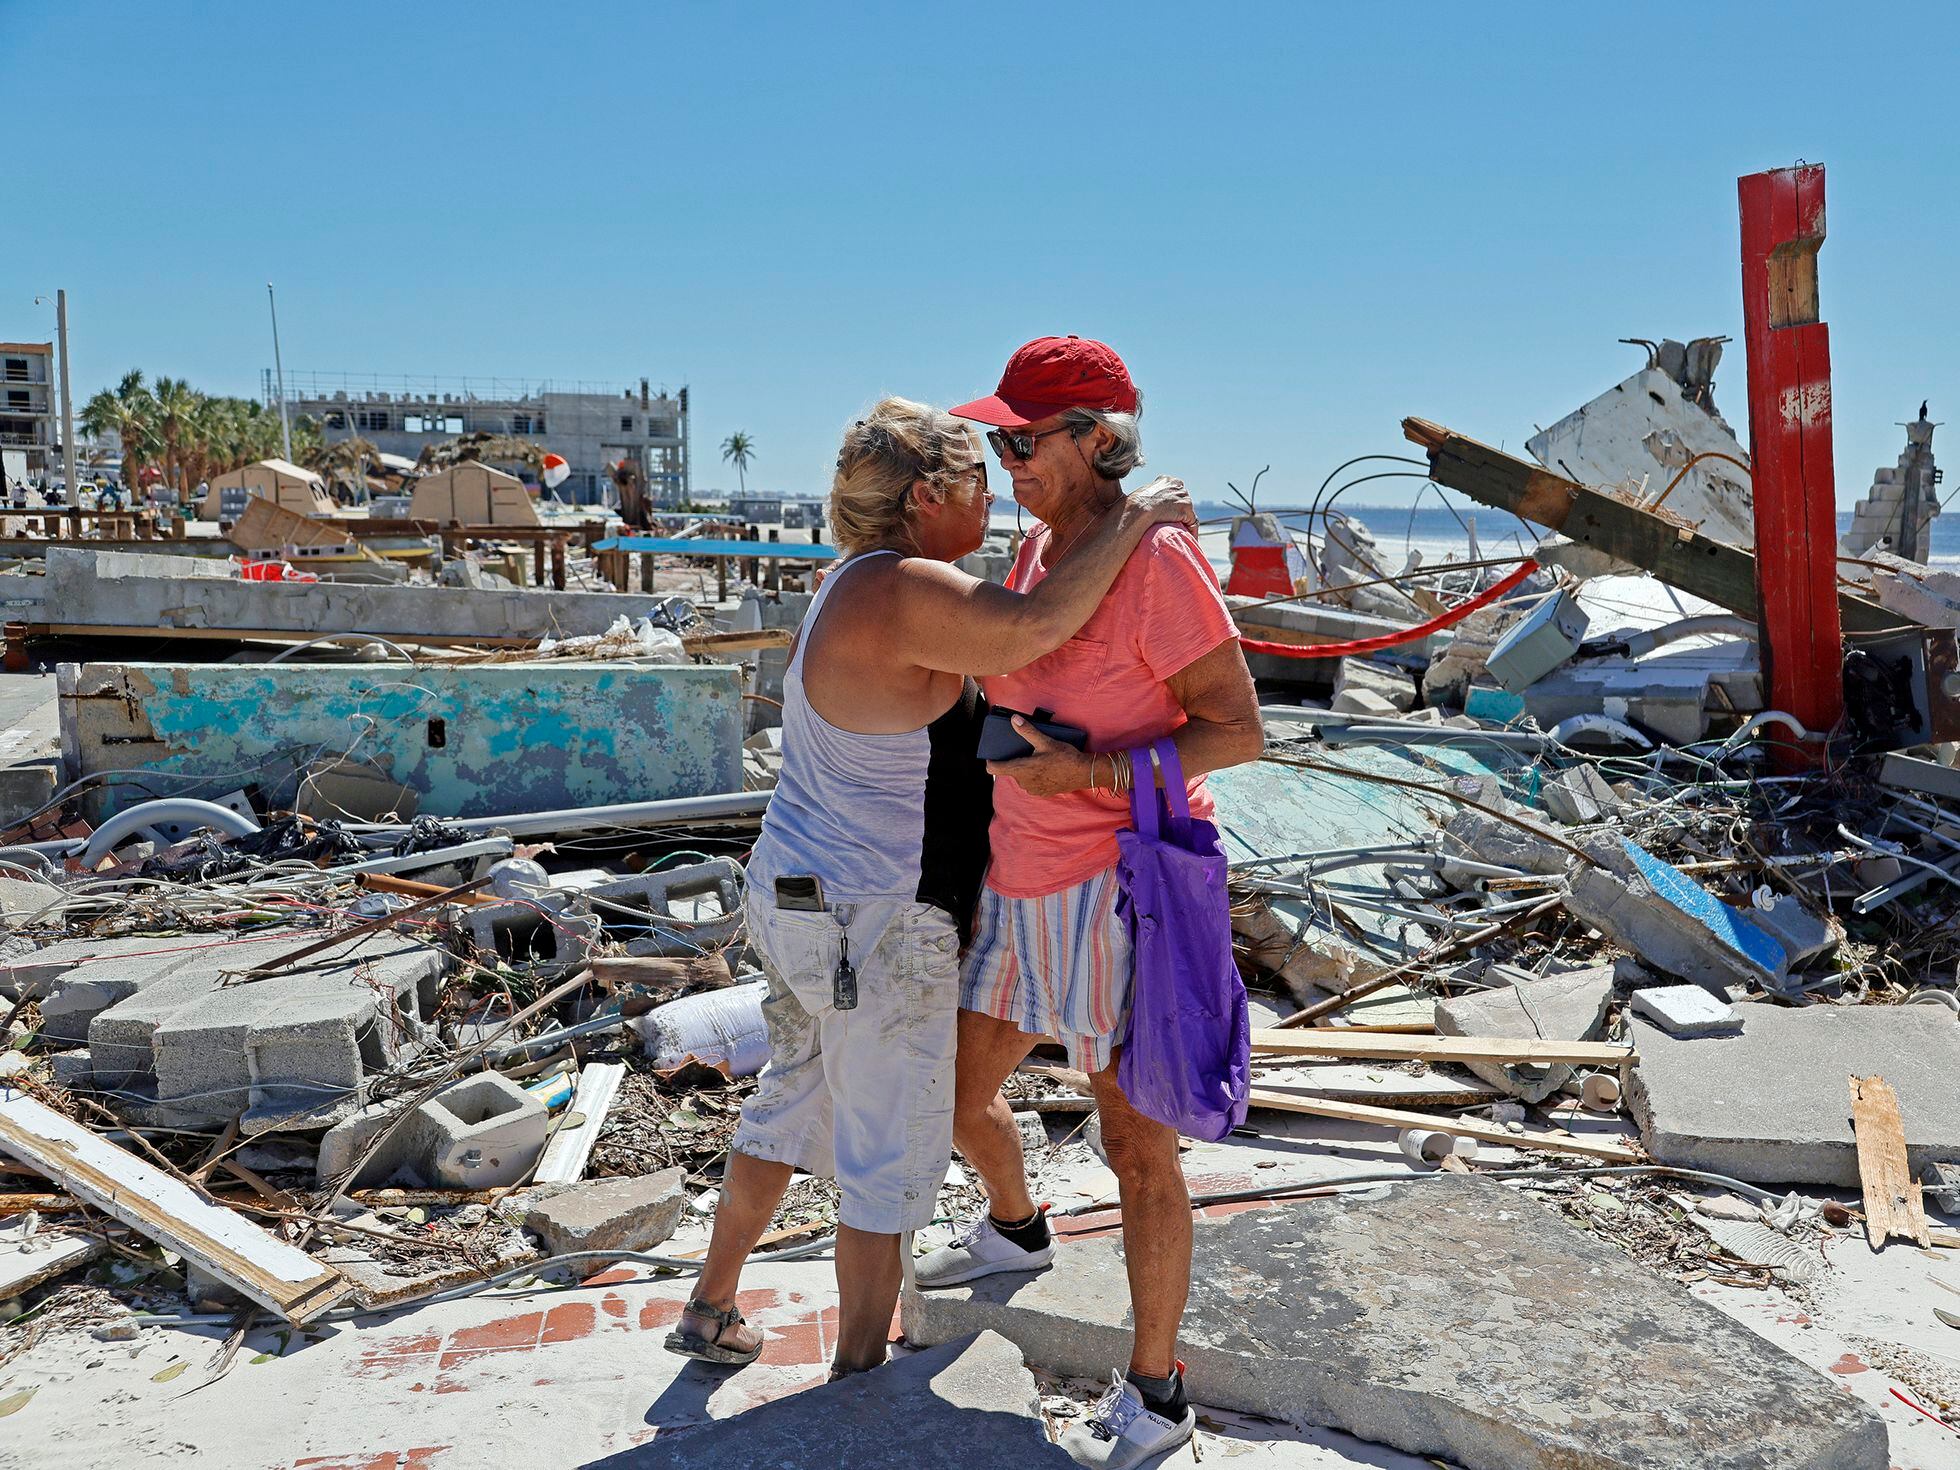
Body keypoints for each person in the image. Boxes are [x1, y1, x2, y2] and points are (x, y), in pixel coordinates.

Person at [666, 396, 1194, 1381]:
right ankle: (861, 1379)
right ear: (926, 496)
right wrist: (1138, 515)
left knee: (792, 1096)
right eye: (977, 484)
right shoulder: (907, 588)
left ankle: (709, 1307)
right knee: (884, 1160)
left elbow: (948, 732)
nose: (993, 505)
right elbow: (1035, 625)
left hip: (794, 896)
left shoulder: (846, 585)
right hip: (876, 917)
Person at [915, 337, 1264, 1470]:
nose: (1003, 456)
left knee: (1134, 1144)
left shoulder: (1158, 564)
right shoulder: (1041, 549)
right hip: (1021, 888)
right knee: (960, 1094)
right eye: (997, 438)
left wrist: (1095, 774)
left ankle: (1158, 1391)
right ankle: (1017, 1232)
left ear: (1098, 440)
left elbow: (1238, 731)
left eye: (1024, 438)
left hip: (1120, 895)